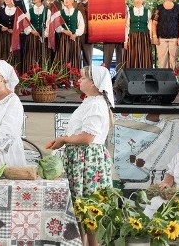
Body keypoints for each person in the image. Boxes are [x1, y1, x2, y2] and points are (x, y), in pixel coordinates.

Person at [45, 65, 114, 246]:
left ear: (94, 83)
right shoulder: (90, 101)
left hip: (88, 161)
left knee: (89, 211)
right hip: (81, 159)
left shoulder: (97, 104)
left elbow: (87, 137)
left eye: (83, 78)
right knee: (81, 213)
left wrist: (64, 139)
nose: (79, 81)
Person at [151, 0, 179, 69]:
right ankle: (163, 80)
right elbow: (154, 23)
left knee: (173, 61)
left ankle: (173, 80)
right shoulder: (158, 8)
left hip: (174, 38)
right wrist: (154, 36)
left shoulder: (178, 8)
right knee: (162, 61)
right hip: (161, 39)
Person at [54, 0, 84, 70]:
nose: (66, 0)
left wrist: (75, 34)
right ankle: (62, 77)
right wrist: (63, 30)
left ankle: (74, 78)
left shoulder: (78, 13)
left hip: (74, 38)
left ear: (72, 1)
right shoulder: (60, 13)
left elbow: (81, 26)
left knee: (74, 57)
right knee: (63, 57)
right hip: (63, 39)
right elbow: (56, 26)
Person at [124, 0, 153, 69]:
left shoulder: (147, 12)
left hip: (144, 37)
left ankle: (145, 76)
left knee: (144, 55)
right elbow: (126, 26)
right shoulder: (129, 12)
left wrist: (151, 38)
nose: (137, 0)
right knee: (132, 56)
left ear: (142, 0)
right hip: (132, 37)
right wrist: (125, 41)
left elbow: (150, 26)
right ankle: (132, 77)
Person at [23, 0, 49, 73]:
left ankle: (42, 74)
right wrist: (31, 31)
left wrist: (44, 34)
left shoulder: (47, 11)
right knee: (31, 55)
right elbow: (25, 24)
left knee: (42, 55)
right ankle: (31, 74)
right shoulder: (29, 11)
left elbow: (49, 25)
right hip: (32, 37)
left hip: (43, 38)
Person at [0, 0, 19, 64]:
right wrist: (1, 28)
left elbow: (21, 24)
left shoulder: (18, 11)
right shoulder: (1, 11)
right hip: (3, 37)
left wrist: (15, 30)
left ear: (12, 0)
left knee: (14, 55)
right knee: (2, 54)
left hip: (14, 37)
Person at [76, 0, 93, 67]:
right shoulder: (73, 4)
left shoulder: (91, 4)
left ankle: (88, 76)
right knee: (76, 57)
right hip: (76, 34)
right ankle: (76, 76)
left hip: (88, 34)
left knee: (87, 57)